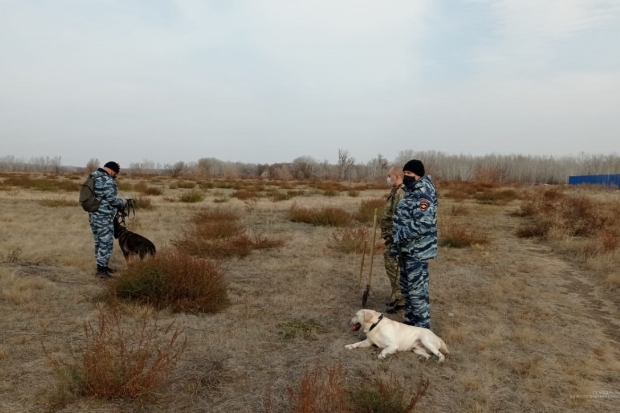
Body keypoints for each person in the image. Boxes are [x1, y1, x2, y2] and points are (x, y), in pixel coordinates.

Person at [390, 159, 437, 330]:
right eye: (405, 173)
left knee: (417, 292)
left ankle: (423, 329)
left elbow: (423, 223)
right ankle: (410, 325)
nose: (406, 176)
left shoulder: (423, 193)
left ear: (418, 174)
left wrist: (400, 234)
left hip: (417, 251)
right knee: (407, 290)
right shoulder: (411, 191)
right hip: (406, 249)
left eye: (409, 174)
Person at [89, 161, 127, 278]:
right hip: (104, 217)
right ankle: (101, 271)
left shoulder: (93, 176)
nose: (115, 175)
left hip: (93, 215)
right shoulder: (107, 180)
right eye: (115, 173)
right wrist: (124, 201)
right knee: (106, 243)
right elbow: (113, 200)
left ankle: (103, 266)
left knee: (99, 242)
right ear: (112, 170)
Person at [380, 166, 406, 314]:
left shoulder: (401, 192)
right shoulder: (395, 190)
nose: (388, 178)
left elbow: (400, 217)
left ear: (396, 176)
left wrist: (394, 237)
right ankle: (399, 297)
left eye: (389, 176)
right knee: (393, 268)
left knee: (393, 267)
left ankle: (402, 300)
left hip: (396, 238)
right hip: (391, 237)